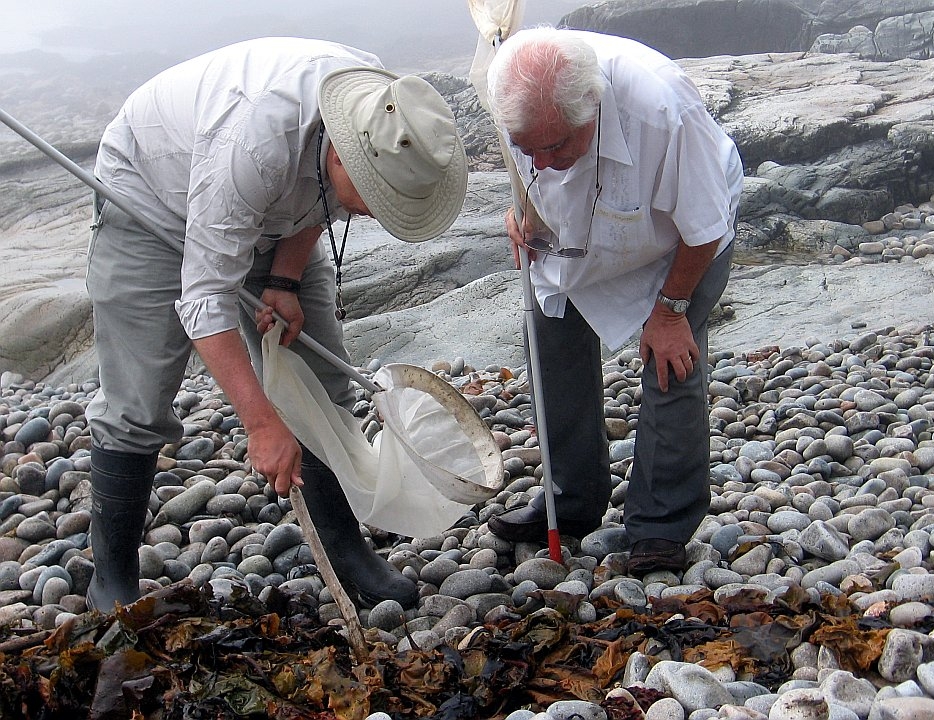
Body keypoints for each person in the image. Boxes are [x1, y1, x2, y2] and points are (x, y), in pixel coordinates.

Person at [85, 37, 467, 612]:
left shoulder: (385, 113)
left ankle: (345, 552)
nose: (371, 213)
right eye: (373, 199)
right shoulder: (255, 142)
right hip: (152, 190)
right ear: (343, 155)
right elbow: (203, 298)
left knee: (318, 376)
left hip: (270, 196)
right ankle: (111, 580)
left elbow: (324, 198)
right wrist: (262, 425)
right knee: (138, 400)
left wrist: (284, 281)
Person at [484, 27, 743, 575]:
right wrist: (522, 213)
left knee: (671, 362)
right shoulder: (515, 97)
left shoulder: (662, 108)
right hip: (574, 237)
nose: (545, 160)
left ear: (594, 107)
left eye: (557, 145)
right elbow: (524, 174)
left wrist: (670, 312)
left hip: (676, 234)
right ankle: (571, 502)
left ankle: (660, 524)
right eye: (531, 147)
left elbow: (704, 229)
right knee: (551, 352)